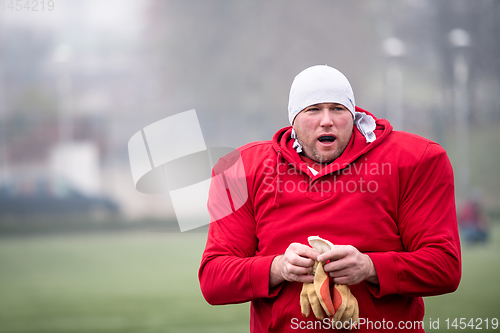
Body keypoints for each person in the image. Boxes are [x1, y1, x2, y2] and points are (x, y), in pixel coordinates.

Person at [199, 65, 461, 332]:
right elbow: (214, 280)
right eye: (313, 109)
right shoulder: (240, 169)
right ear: (293, 119)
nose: (327, 120)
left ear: (353, 114)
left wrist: (370, 267)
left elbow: (444, 267)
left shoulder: (416, 159)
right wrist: (278, 268)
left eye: (337, 109)